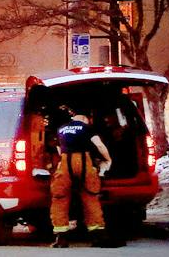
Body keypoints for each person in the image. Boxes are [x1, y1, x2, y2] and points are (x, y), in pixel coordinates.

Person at [49, 104, 114, 248]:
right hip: (84, 162)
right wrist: (108, 159)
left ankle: (61, 238)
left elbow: (59, 150)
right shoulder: (88, 128)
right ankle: (98, 236)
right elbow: (99, 146)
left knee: (60, 198)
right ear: (85, 118)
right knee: (90, 197)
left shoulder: (61, 129)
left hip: (65, 163)